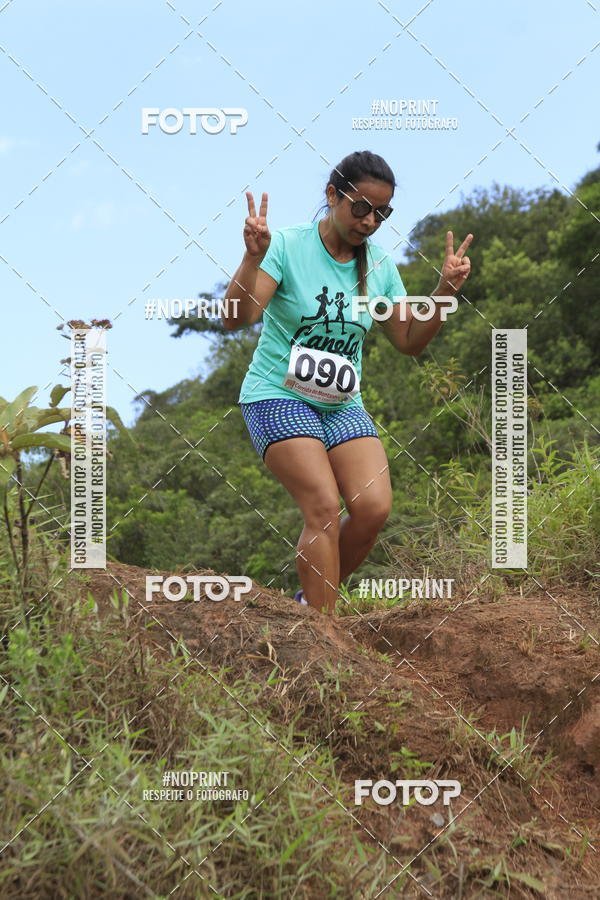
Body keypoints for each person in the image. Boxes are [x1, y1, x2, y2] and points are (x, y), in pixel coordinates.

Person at [222, 150, 472, 616]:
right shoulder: (288, 245)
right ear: (333, 196)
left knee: (373, 507)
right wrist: (251, 259)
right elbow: (237, 319)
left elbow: (410, 340)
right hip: (277, 395)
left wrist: (443, 293)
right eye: (361, 208)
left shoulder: (379, 267)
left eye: (382, 213)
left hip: (341, 404)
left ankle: (308, 603)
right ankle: (324, 632)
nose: (370, 221)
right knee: (321, 506)